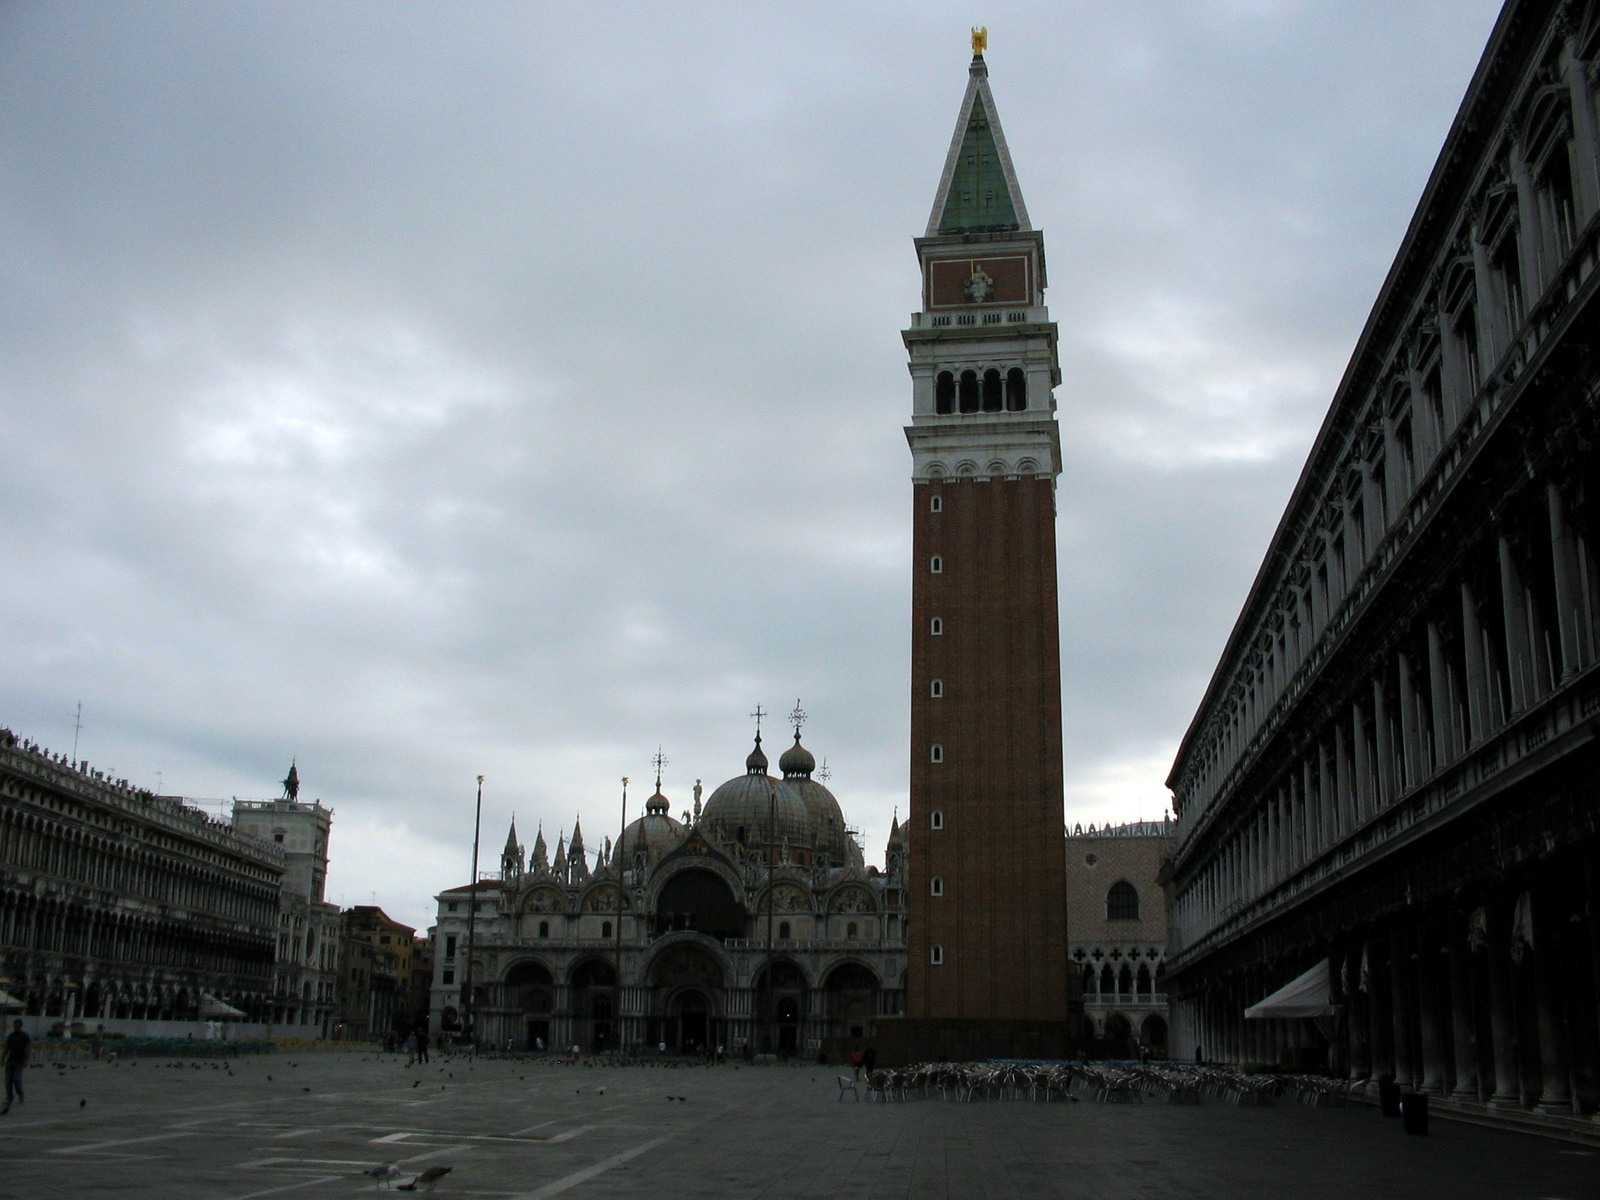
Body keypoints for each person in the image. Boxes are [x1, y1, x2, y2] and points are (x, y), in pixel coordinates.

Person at [2, 1020, 29, 1113]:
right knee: (8, 1080)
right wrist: (2, 1058)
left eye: (17, 1026)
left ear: (20, 1026)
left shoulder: (25, 1036)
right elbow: (7, 1048)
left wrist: (26, 1060)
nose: (16, 1027)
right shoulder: (11, 1036)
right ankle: (9, 1097)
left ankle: (20, 1093)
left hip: (20, 1061)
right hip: (10, 1060)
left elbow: (27, 1048)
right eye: (15, 1026)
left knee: (16, 1078)